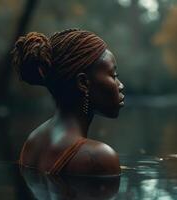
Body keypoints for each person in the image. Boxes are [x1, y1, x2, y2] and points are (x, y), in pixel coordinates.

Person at [12, 28, 125, 176]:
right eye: (113, 75)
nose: (120, 85)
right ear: (83, 83)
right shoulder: (100, 158)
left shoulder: (32, 141)